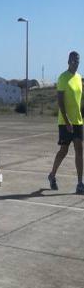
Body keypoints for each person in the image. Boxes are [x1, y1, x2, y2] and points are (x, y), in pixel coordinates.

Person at [48, 51, 83, 194]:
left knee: (79, 150)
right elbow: (60, 102)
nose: (75, 63)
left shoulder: (79, 78)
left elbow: (79, 100)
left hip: (78, 121)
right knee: (64, 151)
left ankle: (80, 183)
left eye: (78, 61)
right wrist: (67, 120)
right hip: (65, 122)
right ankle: (52, 175)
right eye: (73, 61)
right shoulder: (63, 78)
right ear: (68, 61)